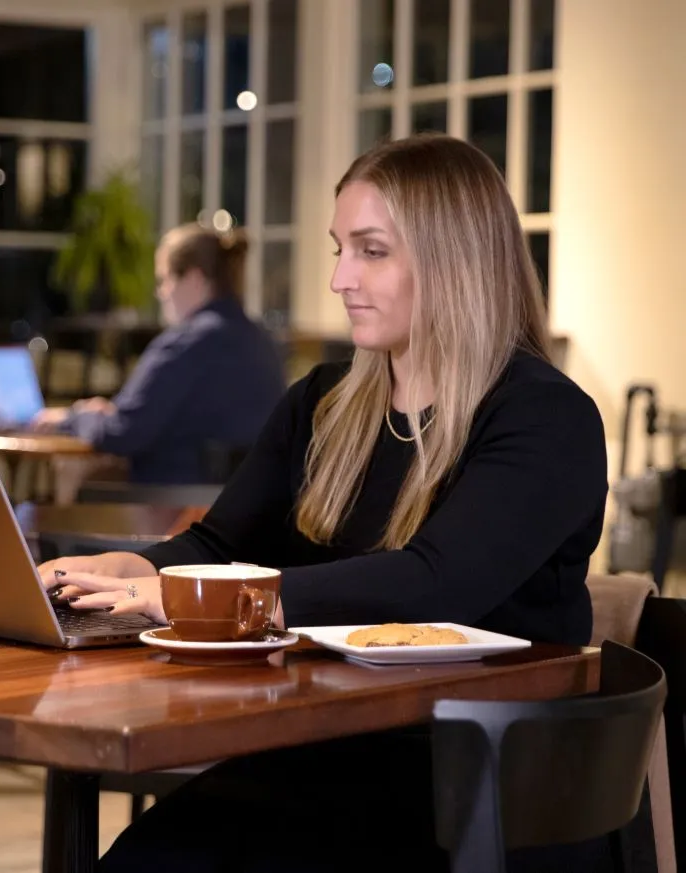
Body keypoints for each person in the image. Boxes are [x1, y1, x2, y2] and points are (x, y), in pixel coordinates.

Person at [38, 134, 611, 871]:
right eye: (340, 250)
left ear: (455, 259)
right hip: (331, 750)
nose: (340, 279)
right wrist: (124, 573)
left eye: (371, 251)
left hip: (484, 790)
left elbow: (437, 584)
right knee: (145, 858)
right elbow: (218, 545)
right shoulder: (322, 402)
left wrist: (204, 601)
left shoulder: (546, 416)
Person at [30, 224, 284, 485]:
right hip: (245, 499)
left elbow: (122, 433)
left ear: (194, 279)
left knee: (77, 473)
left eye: (164, 280)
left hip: (178, 498)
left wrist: (75, 417)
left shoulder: (188, 342)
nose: (160, 293)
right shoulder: (262, 341)